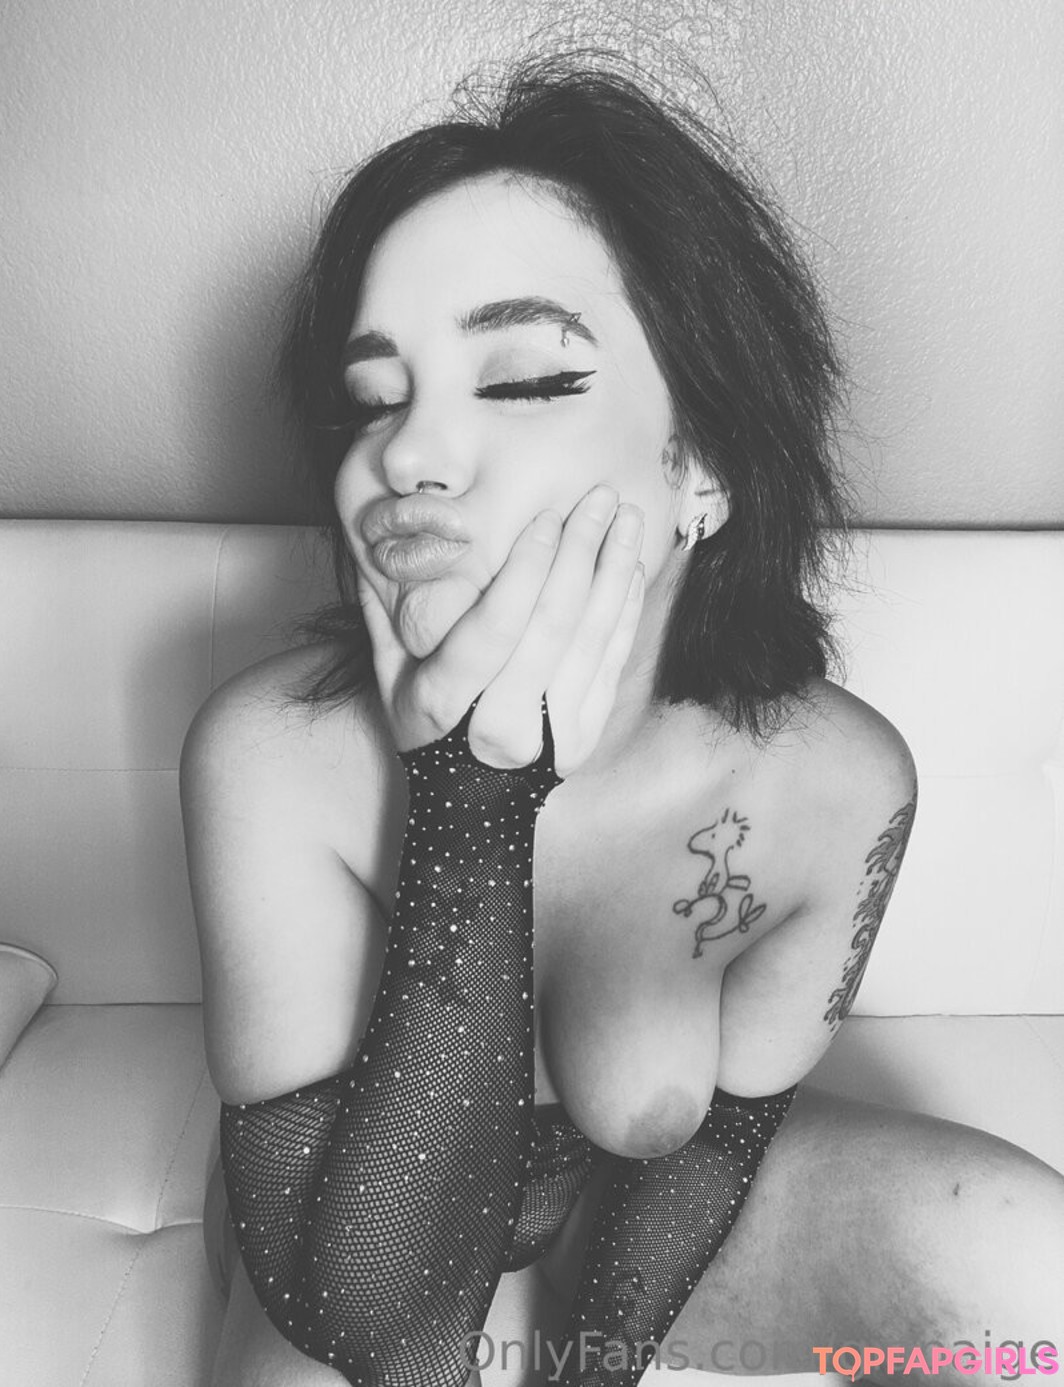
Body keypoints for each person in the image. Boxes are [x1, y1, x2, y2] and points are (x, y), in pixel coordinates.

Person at [182, 58, 1064, 1387]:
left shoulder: (836, 784)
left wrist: (589, 1369)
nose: (403, 454)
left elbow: (711, 1154)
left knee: (1031, 1267)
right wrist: (470, 796)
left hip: (628, 1228)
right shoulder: (270, 757)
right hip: (357, 1238)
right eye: (372, 396)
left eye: (524, 380)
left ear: (702, 462)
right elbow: (379, 1331)